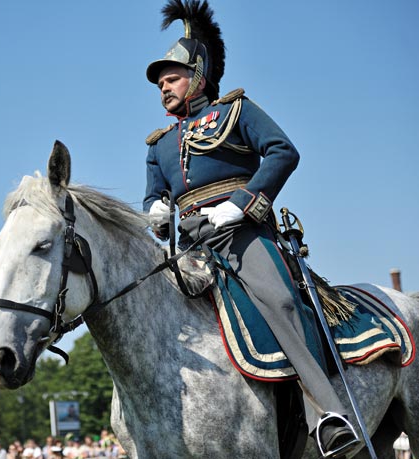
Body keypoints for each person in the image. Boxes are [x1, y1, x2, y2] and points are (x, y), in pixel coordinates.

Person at [142, 1, 360, 457]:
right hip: (189, 248)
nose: (164, 86)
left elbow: (283, 151)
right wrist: (156, 211)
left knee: (279, 301)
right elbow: (154, 195)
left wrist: (241, 205)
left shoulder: (236, 111)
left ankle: (327, 415)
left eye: (172, 77)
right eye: (160, 83)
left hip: (241, 235)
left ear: (198, 75)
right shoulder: (160, 145)